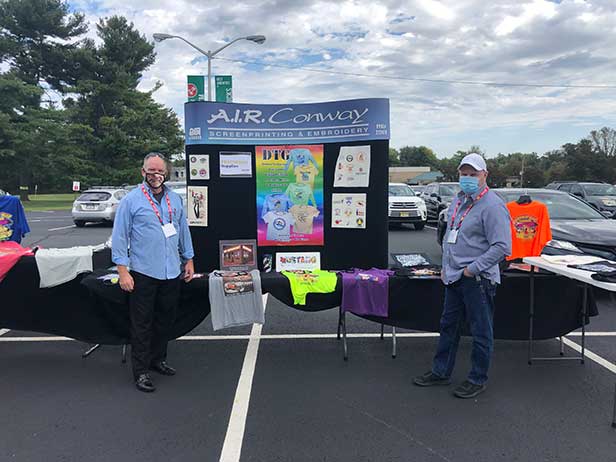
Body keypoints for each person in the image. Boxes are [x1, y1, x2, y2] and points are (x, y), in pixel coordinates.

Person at [414, 153, 511, 399]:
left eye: (473, 174)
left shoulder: (492, 205)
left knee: (481, 331)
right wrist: (449, 269)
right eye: (464, 174)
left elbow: (502, 247)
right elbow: (452, 236)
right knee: (448, 326)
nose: (467, 178)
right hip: (454, 277)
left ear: (485, 176)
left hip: (476, 280)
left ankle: (477, 378)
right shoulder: (459, 201)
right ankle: (441, 371)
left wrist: (471, 269)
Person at [112, 153, 195, 393]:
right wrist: (122, 271)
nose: (155, 175)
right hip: (144, 272)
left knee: (165, 319)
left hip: (171, 271)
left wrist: (188, 258)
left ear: (166, 173)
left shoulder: (174, 199)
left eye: (160, 171)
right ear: (142, 172)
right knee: (142, 324)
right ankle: (141, 371)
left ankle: (157, 359)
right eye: (151, 171)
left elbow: (182, 230)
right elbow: (120, 236)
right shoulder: (132, 200)